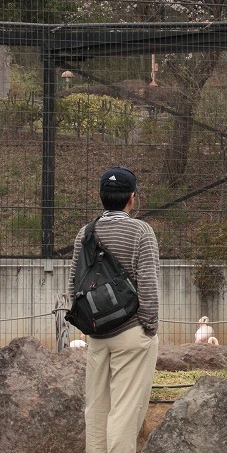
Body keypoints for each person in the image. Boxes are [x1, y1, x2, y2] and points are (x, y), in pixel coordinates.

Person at [68, 166, 160, 453]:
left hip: (97, 334)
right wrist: (149, 327)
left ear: (101, 196)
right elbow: (148, 283)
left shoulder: (86, 233)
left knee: (96, 408)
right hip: (132, 332)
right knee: (125, 411)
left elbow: (74, 284)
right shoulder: (141, 231)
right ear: (132, 198)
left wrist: (91, 324)